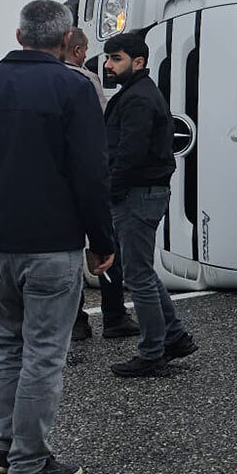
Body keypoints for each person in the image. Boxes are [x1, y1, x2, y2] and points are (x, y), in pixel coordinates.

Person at [0, 0, 115, 474]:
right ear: (65, 42)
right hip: (51, 243)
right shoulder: (73, 87)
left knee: (6, 344)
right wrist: (101, 239)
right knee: (43, 351)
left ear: (19, 34)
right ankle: (30, 461)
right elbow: (90, 173)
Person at [103, 32, 197, 377]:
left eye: (117, 59)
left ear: (138, 62)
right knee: (141, 269)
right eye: (108, 59)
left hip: (137, 194)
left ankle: (152, 352)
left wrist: (109, 191)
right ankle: (173, 337)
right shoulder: (135, 93)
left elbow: (130, 153)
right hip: (141, 192)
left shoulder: (138, 98)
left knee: (138, 274)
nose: (109, 65)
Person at [61, 28, 138, 341]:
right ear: (79, 51)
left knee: (67, 253)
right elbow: (101, 126)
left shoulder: (42, 81)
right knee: (104, 245)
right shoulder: (83, 79)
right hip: (88, 178)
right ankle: (114, 315)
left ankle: (77, 320)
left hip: (57, 184)